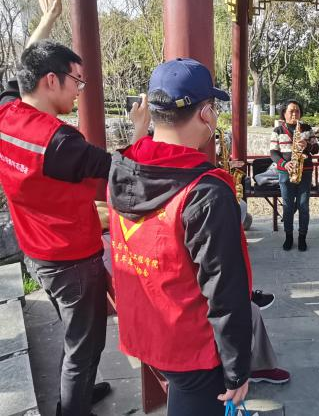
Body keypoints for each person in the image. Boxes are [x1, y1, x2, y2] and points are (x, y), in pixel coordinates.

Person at [107, 58, 289, 416]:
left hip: (145, 328)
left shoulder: (123, 167)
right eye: (213, 108)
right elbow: (225, 289)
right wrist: (237, 370)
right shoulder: (205, 192)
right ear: (206, 113)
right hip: (192, 345)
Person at [0, 40, 149, 416]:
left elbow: (16, 78)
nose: (80, 90)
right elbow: (125, 174)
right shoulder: (60, 142)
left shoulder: (7, 113)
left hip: (35, 251)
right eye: (77, 81)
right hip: (72, 261)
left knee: (74, 335)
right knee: (85, 346)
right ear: (51, 80)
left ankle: (76, 394)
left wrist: (48, 20)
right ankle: (72, 408)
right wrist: (140, 130)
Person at [270, 100, 319, 251]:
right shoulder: (278, 130)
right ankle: (289, 236)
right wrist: (284, 164)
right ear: (284, 113)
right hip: (285, 173)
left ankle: (302, 237)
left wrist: (307, 145)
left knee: (303, 206)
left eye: (297, 111)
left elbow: (316, 149)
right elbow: (273, 153)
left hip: (305, 172)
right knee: (288, 206)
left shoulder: (307, 128)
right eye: (291, 111)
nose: (294, 114)